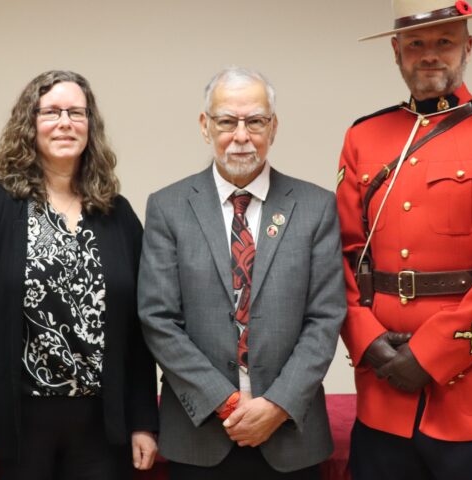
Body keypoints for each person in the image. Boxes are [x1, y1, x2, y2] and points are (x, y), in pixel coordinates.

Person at [336, 1, 472, 478]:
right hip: (383, 395)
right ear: (396, 51)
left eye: (444, 42)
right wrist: (368, 342)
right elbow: (343, 258)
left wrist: (431, 354)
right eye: (415, 44)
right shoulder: (363, 137)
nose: (429, 55)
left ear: (467, 47)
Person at [0, 70, 158, 480]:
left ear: (91, 125)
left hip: (102, 432)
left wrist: (144, 419)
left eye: (77, 112)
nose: (65, 122)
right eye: (51, 112)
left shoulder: (116, 215)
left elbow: (139, 330)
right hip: (14, 431)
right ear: (29, 123)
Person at [137, 67, 347, 480]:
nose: (241, 135)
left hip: (291, 435)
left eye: (255, 121)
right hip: (200, 436)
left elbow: (325, 318)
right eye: (227, 121)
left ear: (273, 127)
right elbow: (158, 318)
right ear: (205, 125)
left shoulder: (315, 206)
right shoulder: (169, 207)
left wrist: (277, 405)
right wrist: (226, 402)